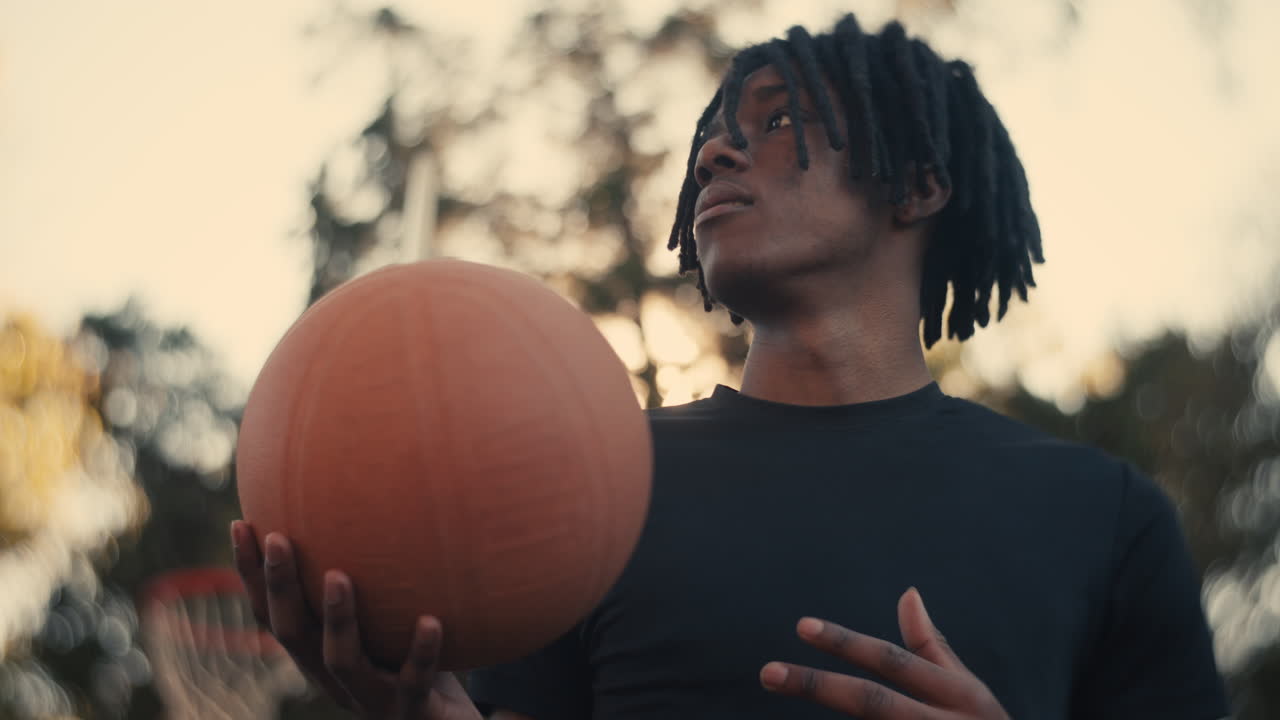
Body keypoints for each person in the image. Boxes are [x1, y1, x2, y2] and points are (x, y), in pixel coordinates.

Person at [231, 12, 1230, 720]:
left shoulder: (1099, 517)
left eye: (776, 120)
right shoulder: (584, 485)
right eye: (712, 134)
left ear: (918, 184)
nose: (714, 154)